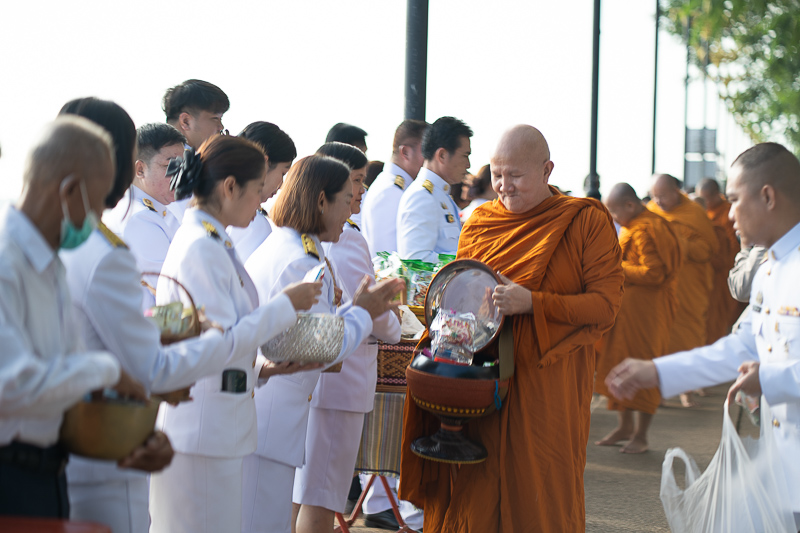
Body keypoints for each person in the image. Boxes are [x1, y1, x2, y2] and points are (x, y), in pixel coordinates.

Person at [400, 125, 624, 532]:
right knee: (475, 489)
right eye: (497, 175)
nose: (503, 186)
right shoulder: (481, 221)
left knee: (539, 491)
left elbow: (606, 307)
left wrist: (533, 302)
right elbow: (461, 296)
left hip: (546, 385)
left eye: (515, 176)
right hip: (481, 384)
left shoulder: (584, 221)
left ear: (547, 170)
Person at [606, 142, 800, 528]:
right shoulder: (770, 269)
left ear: (767, 196)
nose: (730, 215)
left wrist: (771, 378)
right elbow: (741, 347)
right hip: (783, 469)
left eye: (734, 200)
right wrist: (657, 372)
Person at [148, 135, 323, 533]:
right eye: (257, 190)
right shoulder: (201, 246)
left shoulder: (210, 239)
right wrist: (286, 305)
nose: (262, 201)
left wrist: (263, 370)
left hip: (212, 426)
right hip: (202, 430)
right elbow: (219, 342)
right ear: (230, 187)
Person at [242, 155, 404, 533]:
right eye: (346, 199)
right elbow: (317, 345)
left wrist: (355, 309)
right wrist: (364, 311)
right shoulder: (302, 258)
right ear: (320, 201)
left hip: (271, 412)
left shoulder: (293, 246)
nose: (351, 210)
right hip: (272, 416)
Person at [0, 116, 145, 519]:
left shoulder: (53, 269)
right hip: (10, 481)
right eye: (98, 202)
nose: (98, 217)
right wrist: (107, 370)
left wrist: (136, 440)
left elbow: (72, 378)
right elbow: (11, 384)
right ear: (69, 191)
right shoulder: (5, 265)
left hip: (50, 476)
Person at [288, 143, 401, 533]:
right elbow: (369, 313)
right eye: (353, 182)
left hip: (316, 380)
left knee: (301, 494)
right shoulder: (347, 240)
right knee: (322, 497)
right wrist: (394, 319)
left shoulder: (301, 237)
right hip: (341, 379)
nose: (359, 193)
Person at [593, 182, 682, 454]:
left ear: (630, 206)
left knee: (643, 365)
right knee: (620, 364)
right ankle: (624, 426)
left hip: (647, 312)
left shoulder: (647, 228)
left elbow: (654, 273)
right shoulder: (636, 225)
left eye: (615, 212)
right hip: (627, 311)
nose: (614, 218)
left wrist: (616, 267)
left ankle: (641, 435)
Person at [648, 173, 719, 407]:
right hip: (660, 289)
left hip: (689, 287)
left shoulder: (694, 213)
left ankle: (685, 389)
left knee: (688, 339)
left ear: (676, 191)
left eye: (663, 196)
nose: (658, 202)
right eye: (654, 197)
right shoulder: (651, 211)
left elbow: (708, 250)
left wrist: (680, 243)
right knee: (657, 338)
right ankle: (656, 391)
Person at [103, 123, 185, 308]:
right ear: (140, 169)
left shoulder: (150, 209)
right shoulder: (139, 218)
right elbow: (171, 292)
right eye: (170, 166)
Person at [396, 117, 472, 263]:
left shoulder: (440, 195)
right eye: (465, 156)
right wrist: (467, 260)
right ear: (442, 155)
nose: (468, 164)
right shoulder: (422, 196)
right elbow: (415, 260)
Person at [227, 121, 297, 262]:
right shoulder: (252, 222)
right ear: (264, 164)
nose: (282, 185)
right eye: (283, 173)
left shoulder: (222, 206)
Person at [162, 79, 230, 222]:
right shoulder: (175, 164)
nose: (221, 126)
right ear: (185, 121)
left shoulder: (189, 160)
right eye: (215, 118)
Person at [361, 119, 427, 255]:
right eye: (427, 152)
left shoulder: (397, 188)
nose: (432, 159)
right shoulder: (391, 192)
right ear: (406, 152)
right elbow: (389, 257)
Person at [697, 178, 745, 342]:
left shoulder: (728, 213)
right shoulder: (702, 215)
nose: (704, 203)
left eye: (706, 199)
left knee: (720, 320)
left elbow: (732, 248)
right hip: (706, 276)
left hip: (724, 273)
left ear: (716, 195)